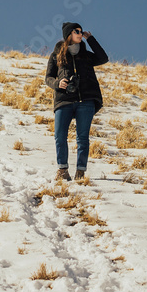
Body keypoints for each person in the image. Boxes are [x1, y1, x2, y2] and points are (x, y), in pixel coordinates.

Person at [44, 22, 109, 181]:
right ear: (68, 35)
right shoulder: (56, 55)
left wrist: (91, 39)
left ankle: (80, 172)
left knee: (82, 138)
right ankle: (62, 170)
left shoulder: (86, 55)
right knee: (60, 136)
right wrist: (57, 84)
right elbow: (48, 78)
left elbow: (103, 58)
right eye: (77, 31)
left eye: (81, 31)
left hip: (85, 100)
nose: (80, 33)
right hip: (64, 100)